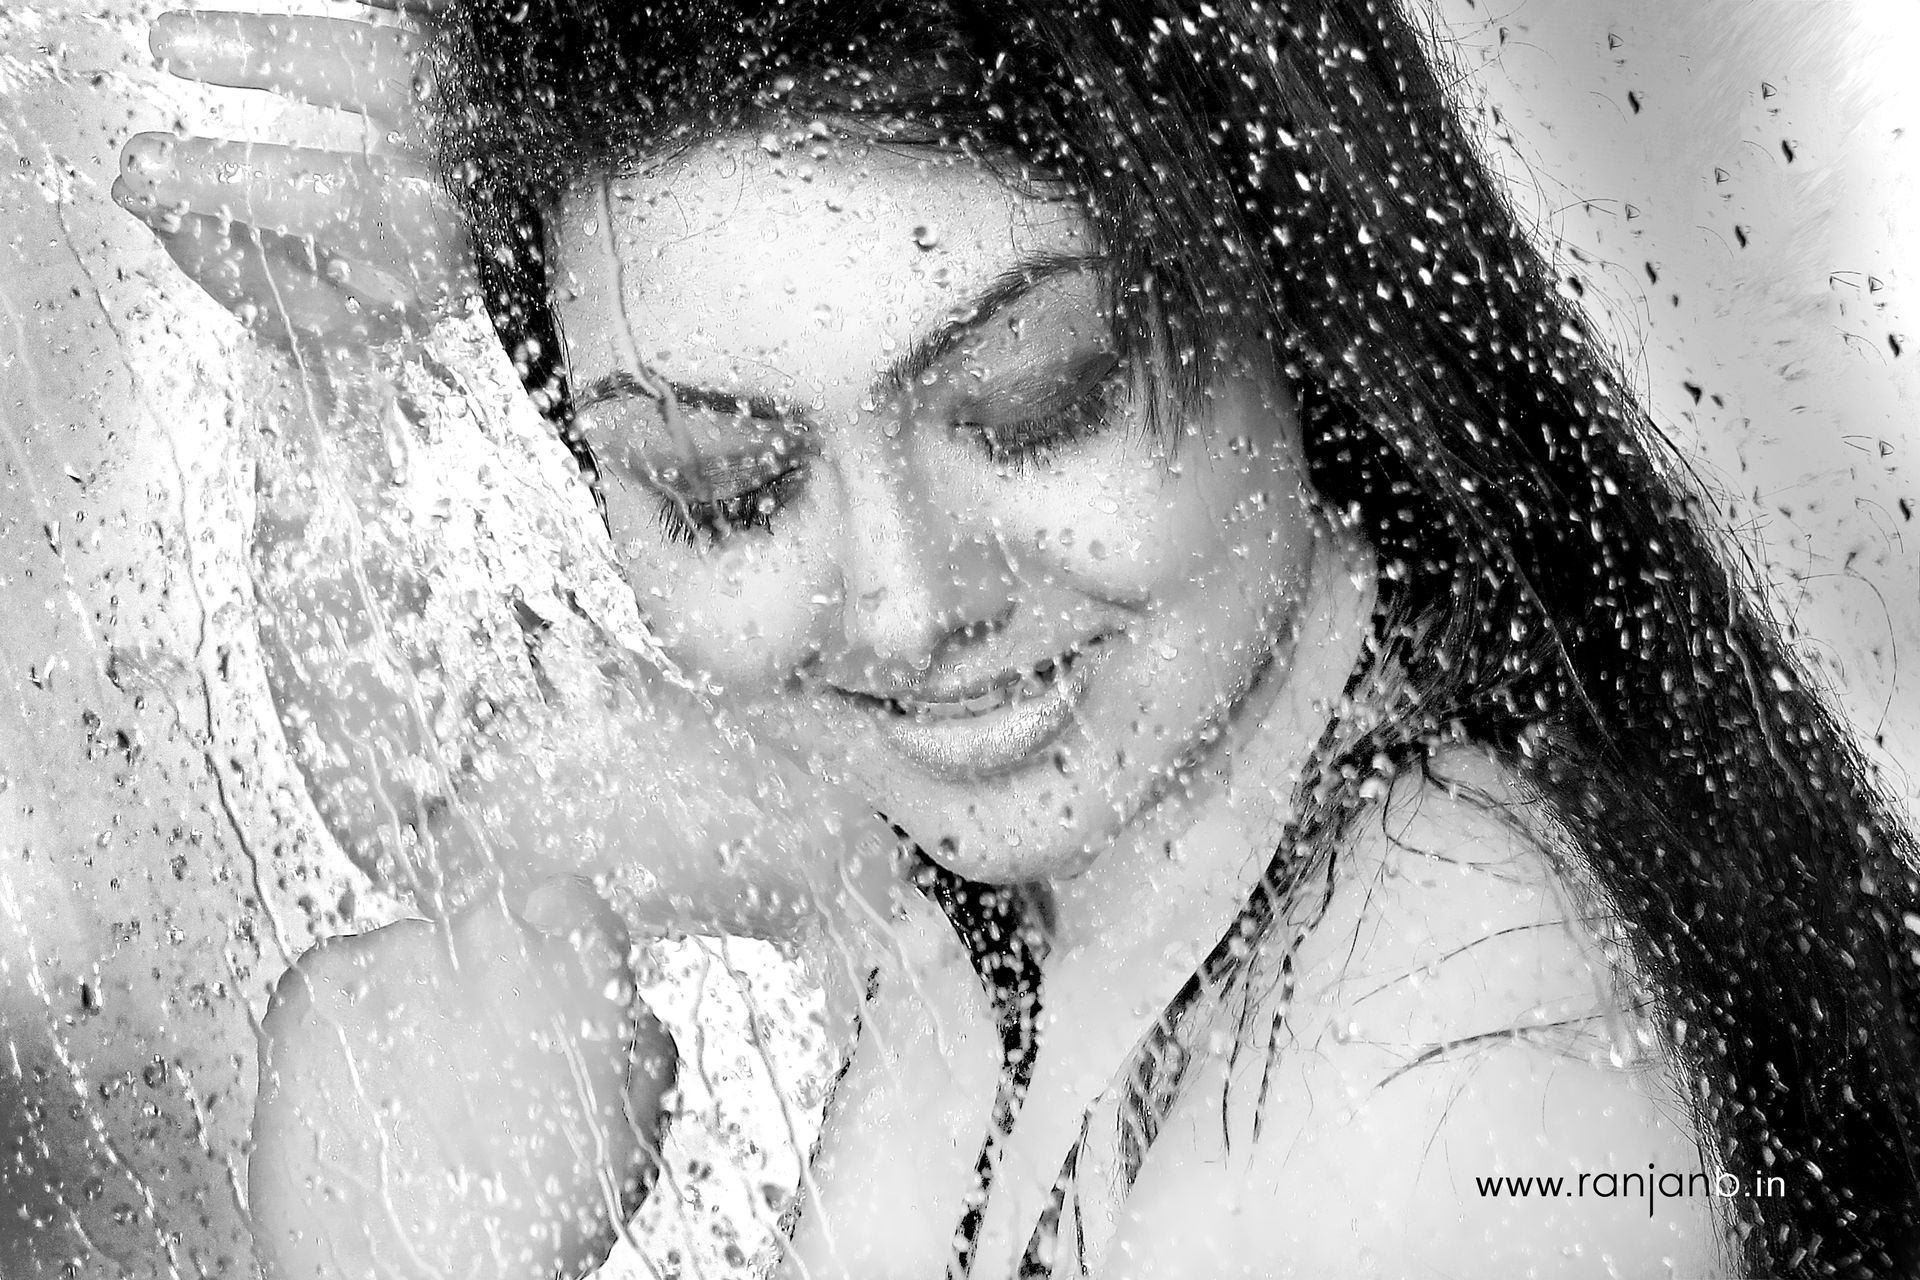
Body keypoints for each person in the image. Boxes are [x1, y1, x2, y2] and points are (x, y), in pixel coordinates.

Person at [112, 0, 1920, 1276]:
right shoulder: (1098, 826)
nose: (899, 605)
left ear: (1285, 269)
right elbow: (461, 782)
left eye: (1031, 399)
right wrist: (350, 360)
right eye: (727, 482)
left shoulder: (1459, 1107)